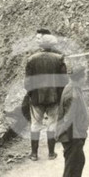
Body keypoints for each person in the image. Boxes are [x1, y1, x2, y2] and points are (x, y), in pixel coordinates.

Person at [24, 29, 67, 161]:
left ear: (41, 45)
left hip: (37, 99)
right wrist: (59, 96)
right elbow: (64, 81)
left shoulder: (31, 60)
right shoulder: (59, 59)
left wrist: (31, 94)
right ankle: (51, 153)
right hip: (54, 98)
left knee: (35, 125)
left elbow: (27, 82)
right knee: (52, 124)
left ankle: (34, 154)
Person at [54, 62, 89, 177]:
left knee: (79, 160)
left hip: (77, 133)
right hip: (72, 135)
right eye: (84, 76)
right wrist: (59, 134)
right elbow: (68, 119)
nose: (85, 78)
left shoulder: (75, 88)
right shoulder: (72, 94)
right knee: (71, 164)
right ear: (79, 78)